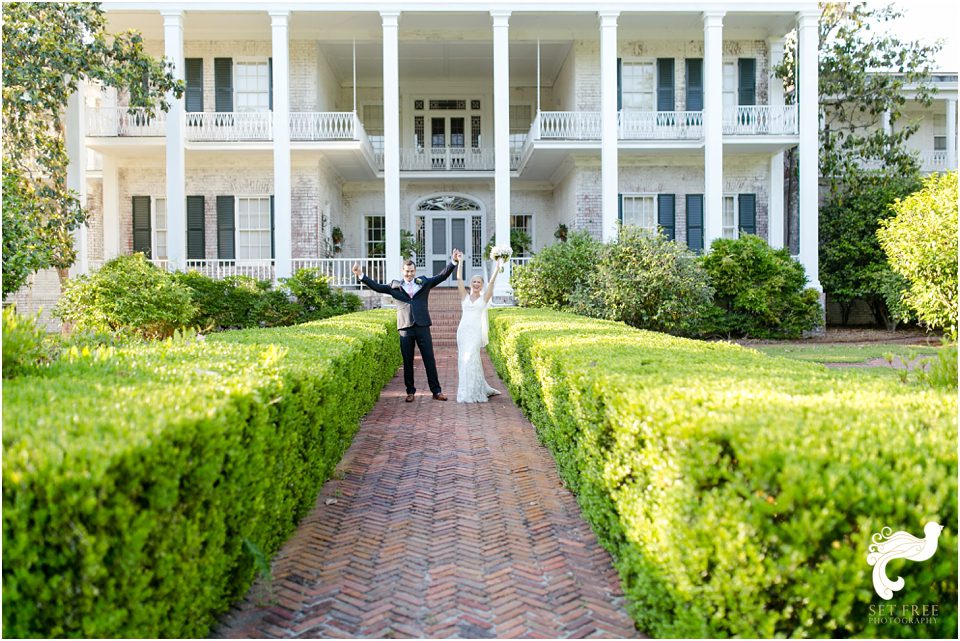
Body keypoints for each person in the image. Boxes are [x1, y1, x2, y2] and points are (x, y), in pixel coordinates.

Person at [352, 252, 458, 402]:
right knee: (408, 361)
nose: (409, 274)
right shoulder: (394, 286)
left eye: (412, 271)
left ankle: (436, 391)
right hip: (405, 328)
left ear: (415, 271)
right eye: (407, 271)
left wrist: (453, 262)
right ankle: (410, 392)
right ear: (403, 271)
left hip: (422, 326)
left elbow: (441, 276)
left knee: (429, 359)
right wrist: (360, 274)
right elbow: (377, 287)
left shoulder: (424, 282)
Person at [454, 252, 502, 403]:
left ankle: (475, 391)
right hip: (463, 332)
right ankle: (466, 390)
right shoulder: (465, 297)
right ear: (471, 284)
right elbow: (459, 279)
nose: (476, 284)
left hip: (475, 333)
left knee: (471, 359)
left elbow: (492, 284)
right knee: (463, 360)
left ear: (481, 285)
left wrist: (496, 268)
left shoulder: (484, 298)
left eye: (478, 282)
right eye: (474, 282)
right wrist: (460, 262)